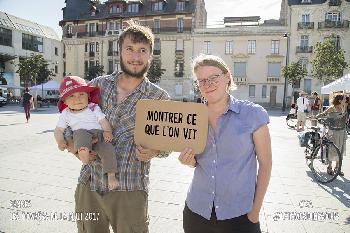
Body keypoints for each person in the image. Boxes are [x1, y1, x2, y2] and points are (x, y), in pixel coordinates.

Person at [65, 21, 170, 233]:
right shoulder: (98, 85)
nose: (135, 57)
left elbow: (167, 145)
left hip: (130, 189)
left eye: (142, 50)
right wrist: (72, 145)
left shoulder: (159, 97)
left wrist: (156, 150)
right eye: (129, 49)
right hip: (90, 184)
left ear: (150, 55)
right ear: (119, 51)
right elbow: (70, 120)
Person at [178, 54, 272, 233]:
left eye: (213, 77)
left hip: (240, 215)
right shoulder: (192, 118)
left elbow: (266, 165)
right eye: (201, 80)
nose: (208, 84)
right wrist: (189, 161)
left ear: (227, 76)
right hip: (197, 212)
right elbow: (199, 160)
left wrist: (255, 212)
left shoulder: (253, 114)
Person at [54, 76, 118, 190]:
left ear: (88, 96)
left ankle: (111, 175)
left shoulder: (93, 107)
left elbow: (103, 120)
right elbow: (58, 130)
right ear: (65, 101)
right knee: (80, 133)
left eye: (81, 94)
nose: (77, 99)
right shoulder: (66, 113)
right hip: (81, 137)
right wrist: (60, 141)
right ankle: (84, 154)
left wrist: (107, 131)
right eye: (72, 96)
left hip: (98, 135)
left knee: (108, 149)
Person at [316, 92, 347, 176]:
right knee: (331, 149)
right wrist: (316, 117)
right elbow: (323, 114)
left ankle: (338, 168)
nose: (346, 99)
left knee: (340, 149)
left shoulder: (344, 106)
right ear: (340, 100)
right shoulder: (332, 108)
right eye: (344, 98)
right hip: (333, 132)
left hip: (342, 131)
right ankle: (329, 167)